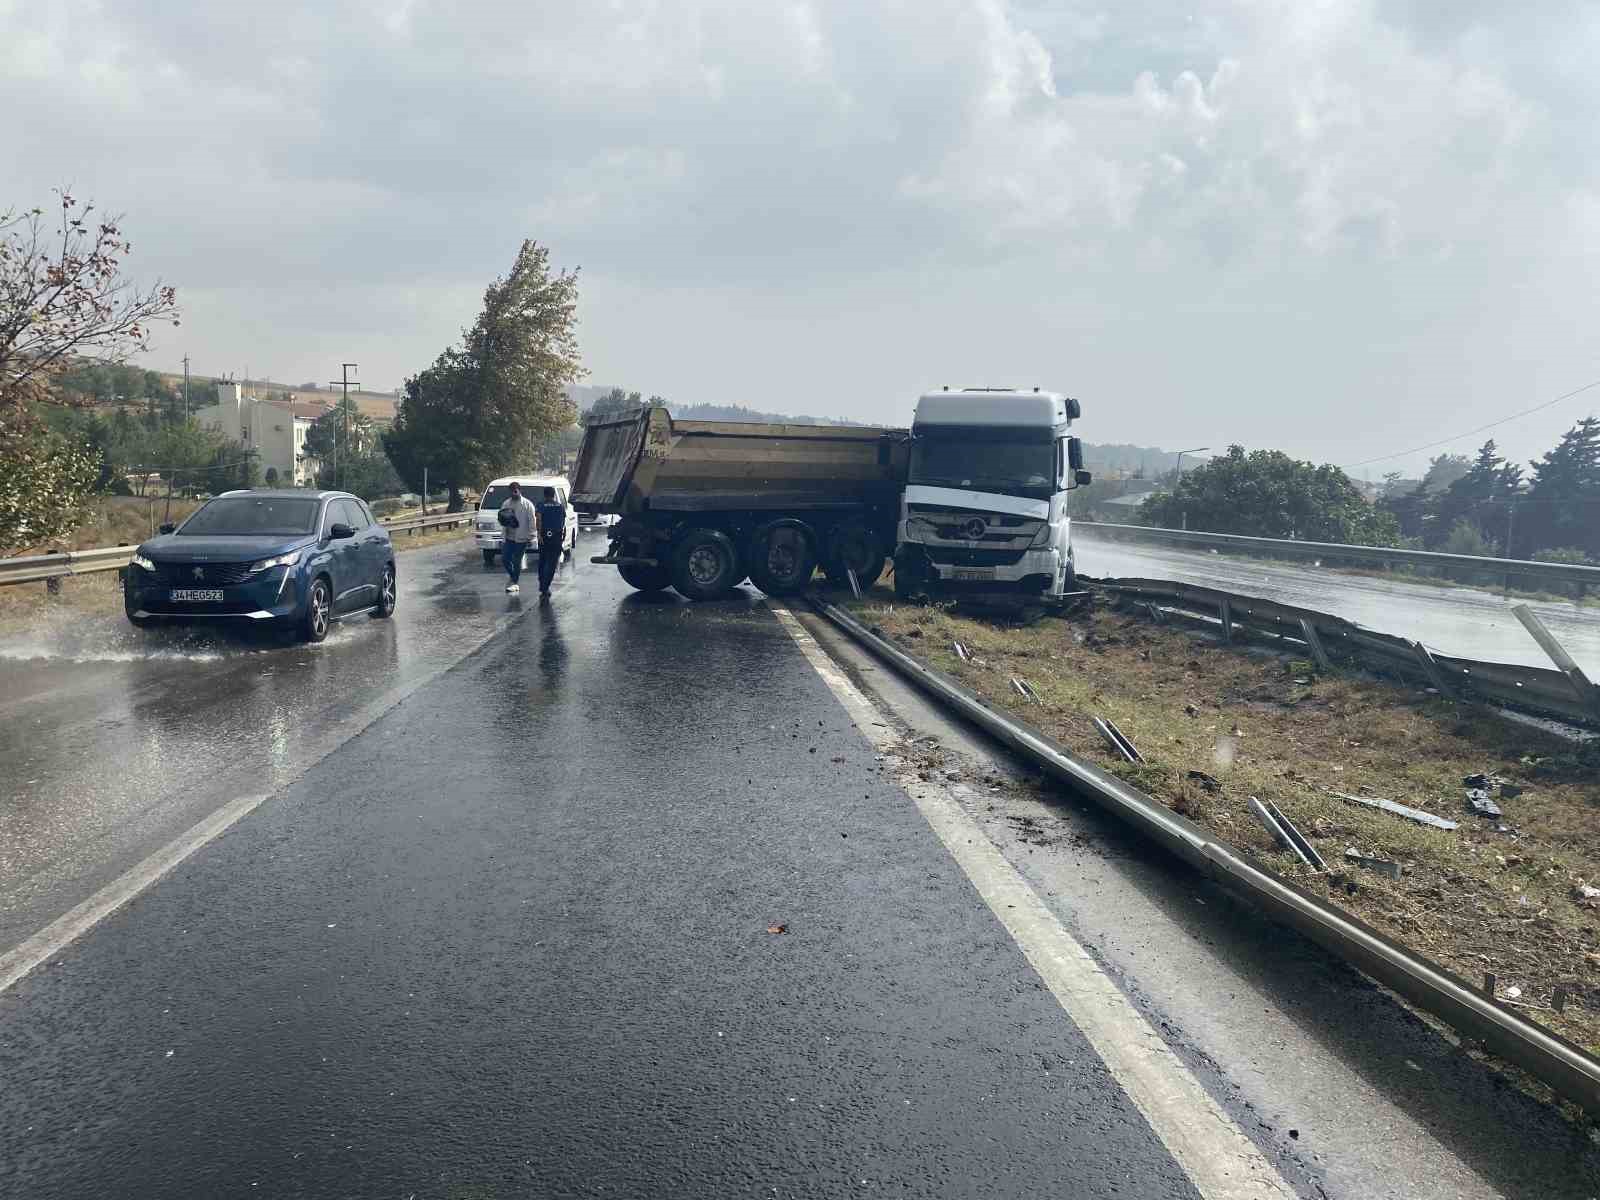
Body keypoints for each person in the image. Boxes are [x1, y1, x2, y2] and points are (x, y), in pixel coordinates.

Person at [498, 481, 537, 594]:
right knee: (505, 559)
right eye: (511, 492)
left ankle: (515, 581)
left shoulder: (527, 504)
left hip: (522, 537)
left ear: (519, 490)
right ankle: (513, 577)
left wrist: (531, 537)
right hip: (509, 537)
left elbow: (532, 521)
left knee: (516, 560)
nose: (513, 494)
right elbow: (501, 518)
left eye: (515, 491)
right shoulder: (506, 504)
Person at [534, 485, 567, 598]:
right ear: (553, 495)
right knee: (552, 563)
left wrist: (538, 534)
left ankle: (542, 583)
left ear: (544, 495)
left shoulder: (541, 505)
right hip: (556, 537)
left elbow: (538, 519)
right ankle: (545, 586)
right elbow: (563, 522)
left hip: (544, 536)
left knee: (543, 560)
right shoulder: (560, 506)